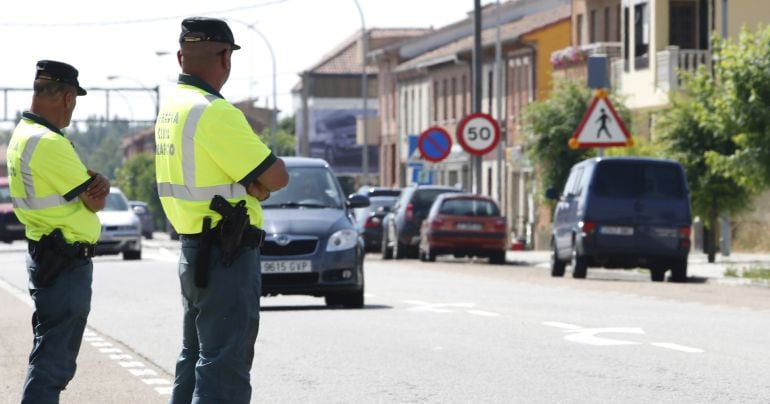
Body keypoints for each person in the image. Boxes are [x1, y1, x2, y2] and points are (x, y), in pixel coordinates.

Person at [155, 17, 289, 403]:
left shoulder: (172, 110)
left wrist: (253, 181)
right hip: (226, 255)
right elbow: (277, 177)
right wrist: (255, 184)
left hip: (194, 249)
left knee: (194, 358)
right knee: (224, 370)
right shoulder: (214, 111)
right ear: (226, 58)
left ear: (181, 56)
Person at [6, 60, 110, 403]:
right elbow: (94, 201)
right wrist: (102, 185)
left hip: (47, 254)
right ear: (67, 97)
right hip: (64, 260)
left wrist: (89, 184)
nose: (73, 109)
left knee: (49, 351)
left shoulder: (22, 135)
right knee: (54, 361)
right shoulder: (49, 142)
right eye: (75, 100)